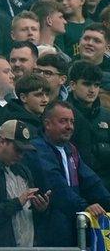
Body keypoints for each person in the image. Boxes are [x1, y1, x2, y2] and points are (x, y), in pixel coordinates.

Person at [30, 101, 110, 246]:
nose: (69, 127)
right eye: (63, 121)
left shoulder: (70, 149)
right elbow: (56, 186)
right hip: (49, 227)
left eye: (72, 122)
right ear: (47, 124)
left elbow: (91, 181)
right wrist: (84, 206)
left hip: (71, 224)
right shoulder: (37, 149)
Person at [0, 119, 50, 248]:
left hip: (28, 243)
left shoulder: (23, 170)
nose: (21, 155)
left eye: (24, 151)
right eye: (17, 149)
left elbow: (30, 212)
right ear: (2, 141)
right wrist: (17, 202)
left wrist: (40, 208)